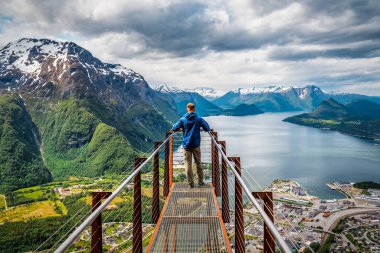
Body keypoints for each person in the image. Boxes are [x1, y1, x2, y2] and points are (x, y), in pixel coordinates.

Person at [170, 102, 211, 188]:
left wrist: (182, 128)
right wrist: (199, 127)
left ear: (187, 109)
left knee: (188, 164)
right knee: (198, 163)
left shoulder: (183, 119)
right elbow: (207, 128)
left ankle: (190, 184)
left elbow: (174, 128)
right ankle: (200, 182)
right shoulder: (199, 119)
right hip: (196, 145)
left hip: (186, 145)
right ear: (194, 109)